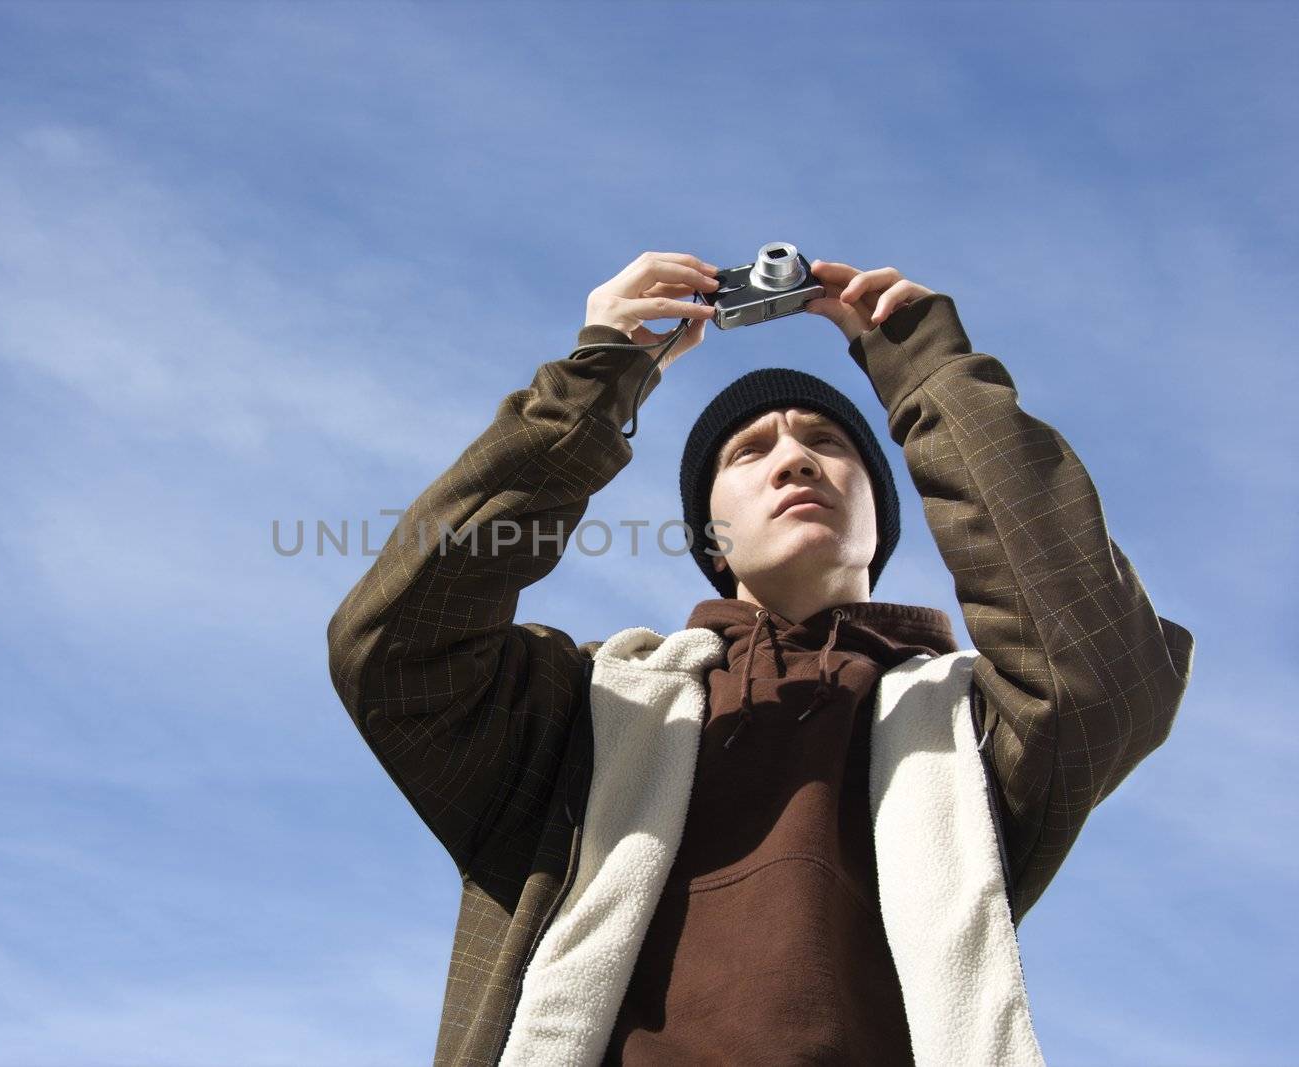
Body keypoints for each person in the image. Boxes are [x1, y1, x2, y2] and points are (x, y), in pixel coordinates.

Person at [326, 251, 1196, 1066]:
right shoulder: (582, 713)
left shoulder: (971, 729)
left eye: (827, 442)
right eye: (751, 450)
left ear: (882, 514)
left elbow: (1101, 669)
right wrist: (592, 387)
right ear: (713, 540)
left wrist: (930, 377)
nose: (793, 461)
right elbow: (398, 647)